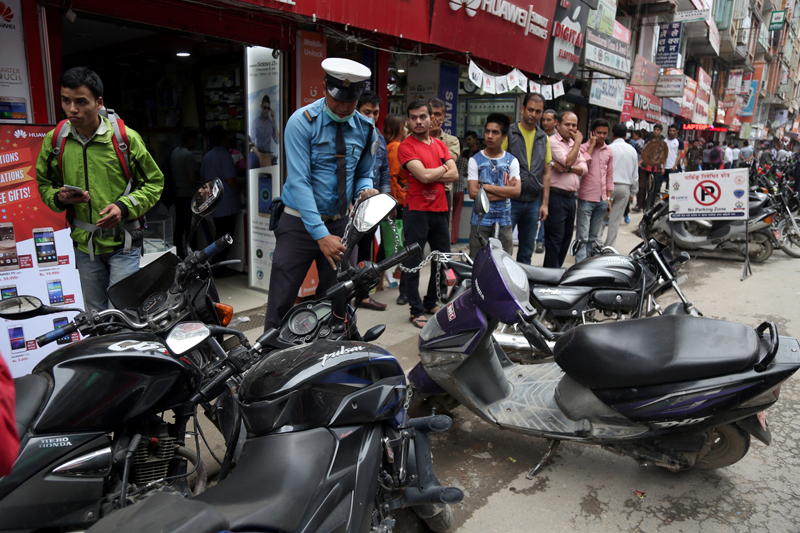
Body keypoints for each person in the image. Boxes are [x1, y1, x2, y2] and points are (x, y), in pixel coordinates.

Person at [36, 67, 164, 312]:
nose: (72, 109)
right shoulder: (56, 140)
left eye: (81, 102)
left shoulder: (124, 139)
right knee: (95, 318)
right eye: (66, 101)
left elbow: (154, 182)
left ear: (99, 102)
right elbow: (44, 184)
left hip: (124, 244)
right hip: (85, 248)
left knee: (121, 314)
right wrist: (59, 198)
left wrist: (124, 207)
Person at [264, 58, 377, 330]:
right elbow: (299, 181)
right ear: (325, 87)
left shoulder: (366, 129)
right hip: (298, 224)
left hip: (340, 223)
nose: (343, 106)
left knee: (338, 300)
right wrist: (321, 235)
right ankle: (269, 359)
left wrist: (364, 189)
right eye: (337, 98)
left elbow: (364, 172)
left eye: (351, 100)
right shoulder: (301, 123)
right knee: (281, 300)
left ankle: (330, 354)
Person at [398, 99, 458, 328]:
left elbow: (454, 176)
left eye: (422, 116)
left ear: (431, 118)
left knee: (443, 260)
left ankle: (430, 300)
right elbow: (422, 177)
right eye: (413, 117)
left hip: (440, 209)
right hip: (416, 211)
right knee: (413, 262)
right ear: (408, 120)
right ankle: (415, 310)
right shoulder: (406, 146)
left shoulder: (440, 144)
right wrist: (444, 168)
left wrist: (433, 173)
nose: (418, 121)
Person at [502, 93, 550, 262]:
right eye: (530, 110)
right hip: (510, 201)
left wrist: (544, 203)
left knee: (526, 251)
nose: (533, 114)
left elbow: (546, 172)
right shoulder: (510, 132)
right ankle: (502, 286)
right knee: (503, 248)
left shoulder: (543, 138)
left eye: (538, 111)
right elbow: (498, 162)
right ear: (523, 109)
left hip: (533, 202)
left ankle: (523, 286)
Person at [468, 113, 521, 257]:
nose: (489, 136)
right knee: (477, 264)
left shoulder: (512, 161)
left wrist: (485, 187)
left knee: (505, 265)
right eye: (487, 131)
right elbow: (473, 193)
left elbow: (516, 191)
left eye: (495, 132)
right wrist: (505, 191)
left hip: (504, 221)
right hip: (480, 221)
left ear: (504, 137)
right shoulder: (475, 160)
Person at [355, 90, 390, 310]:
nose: (372, 116)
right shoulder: (350, 135)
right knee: (345, 253)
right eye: (367, 111)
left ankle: (362, 295)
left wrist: (385, 201)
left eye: (375, 112)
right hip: (350, 205)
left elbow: (384, 172)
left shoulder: (380, 137)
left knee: (366, 251)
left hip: (372, 205)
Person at [544, 111, 588, 268]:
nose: (571, 128)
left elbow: (584, 168)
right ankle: (549, 275)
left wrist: (569, 169)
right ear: (558, 124)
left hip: (571, 198)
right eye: (567, 124)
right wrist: (578, 142)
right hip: (556, 197)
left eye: (574, 125)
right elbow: (569, 161)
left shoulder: (571, 143)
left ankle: (556, 273)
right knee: (555, 240)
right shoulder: (553, 142)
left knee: (566, 239)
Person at [201, 125, 239, 270]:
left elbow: (203, 178)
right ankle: (219, 268)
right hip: (227, 204)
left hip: (214, 203)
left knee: (217, 235)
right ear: (223, 139)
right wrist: (240, 187)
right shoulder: (225, 156)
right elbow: (230, 180)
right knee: (225, 238)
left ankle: (214, 265)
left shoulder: (207, 156)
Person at [575, 118, 614, 263]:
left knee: (593, 238)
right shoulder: (583, 148)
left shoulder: (609, 151)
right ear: (592, 133)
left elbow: (610, 176)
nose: (602, 136)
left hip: (602, 200)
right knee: (582, 237)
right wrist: (591, 145)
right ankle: (579, 266)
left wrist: (608, 199)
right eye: (599, 133)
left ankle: (589, 266)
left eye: (604, 133)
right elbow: (583, 163)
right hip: (586, 198)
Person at [384, 113, 409, 305]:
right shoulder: (396, 148)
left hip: (397, 199)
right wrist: (393, 203)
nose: (407, 130)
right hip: (398, 201)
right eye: (405, 127)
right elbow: (392, 176)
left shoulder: (392, 146)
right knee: (395, 240)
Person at [429, 98, 461, 234]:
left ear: (444, 117)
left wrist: (424, 173)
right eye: (431, 114)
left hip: (444, 191)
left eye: (437, 114)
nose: (434, 118)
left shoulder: (452, 141)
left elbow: (450, 162)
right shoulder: (414, 139)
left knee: (441, 235)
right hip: (418, 192)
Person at [605, 123, 639, 249]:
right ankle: (609, 247)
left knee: (602, 218)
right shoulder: (632, 151)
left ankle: (596, 244)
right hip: (625, 187)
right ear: (626, 135)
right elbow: (635, 174)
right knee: (615, 220)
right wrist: (633, 193)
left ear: (612, 134)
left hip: (608, 187)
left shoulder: (609, 148)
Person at [171, 127, 199, 257]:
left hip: (177, 194)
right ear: (191, 140)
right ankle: (192, 255)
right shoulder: (188, 155)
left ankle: (179, 252)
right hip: (188, 195)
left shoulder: (175, 152)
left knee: (179, 226)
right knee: (191, 228)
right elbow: (192, 178)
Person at [250, 94, 280, 167]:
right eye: (264, 108)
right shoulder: (256, 122)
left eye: (268, 108)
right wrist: (259, 156)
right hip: (258, 153)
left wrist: (274, 120)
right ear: (261, 107)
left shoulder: (271, 123)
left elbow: (277, 140)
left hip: (267, 154)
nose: (266, 110)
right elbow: (252, 141)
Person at [658, 125, 683, 196]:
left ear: (677, 132)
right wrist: (662, 166)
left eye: (673, 131)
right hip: (663, 167)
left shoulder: (679, 141)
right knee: (658, 184)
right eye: (670, 130)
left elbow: (679, 155)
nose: (671, 132)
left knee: (669, 187)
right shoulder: (664, 141)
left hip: (672, 167)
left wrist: (675, 166)